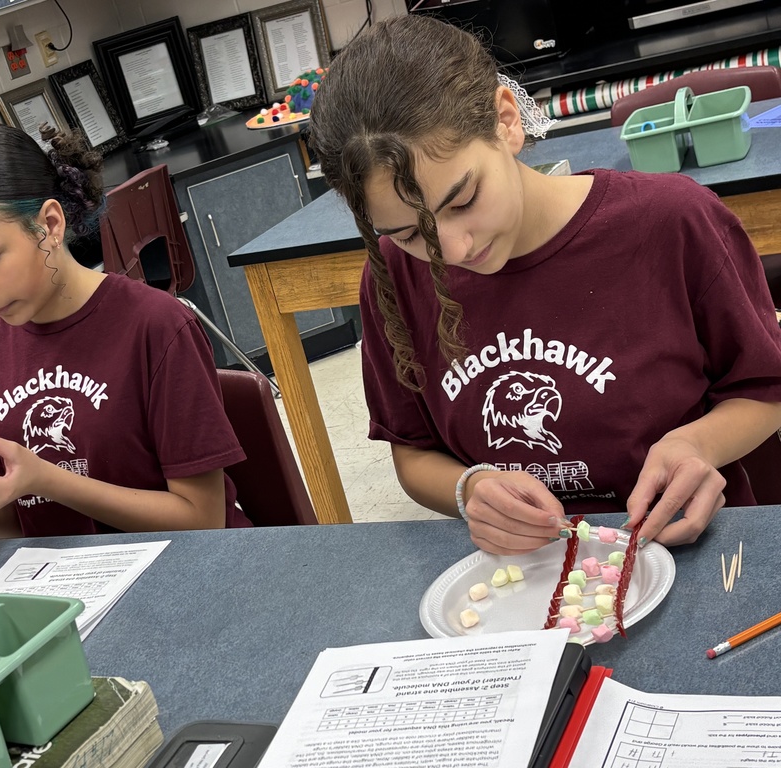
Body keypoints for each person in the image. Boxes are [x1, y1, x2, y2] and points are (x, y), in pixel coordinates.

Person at [308, 15, 781, 555]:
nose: (456, 250)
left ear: (506, 121)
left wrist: (696, 443)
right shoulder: (391, 277)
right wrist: (471, 488)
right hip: (521, 576)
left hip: (687, 549)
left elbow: (765, 388)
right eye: (411, 233)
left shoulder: (670, 222)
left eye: (463, 201)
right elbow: (412, 452)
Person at [0, 123, 249, 538]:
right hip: (74, 585)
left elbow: (203, 520)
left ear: (50, 224)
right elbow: (11, 527)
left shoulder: (156, 326)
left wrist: (47, 479)